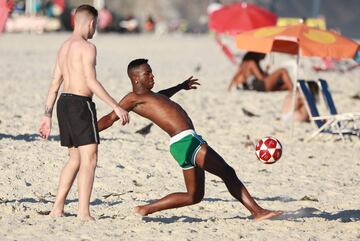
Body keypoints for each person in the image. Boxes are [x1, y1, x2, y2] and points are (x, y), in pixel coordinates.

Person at [97, 59, 282, 221]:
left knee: (194, 196)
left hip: (183, 144)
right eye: (148, 73)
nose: (153, 76)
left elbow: (164, 95)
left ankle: (146, 209)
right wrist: (87, 131)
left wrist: (181, 86)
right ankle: (257, 212)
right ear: (136, 78)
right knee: (227, 172)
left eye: (152, 72)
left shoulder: (152, 96)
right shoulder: (133, 98)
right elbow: (110, 118)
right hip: (186, 142)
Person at [38, 4, 129, 220]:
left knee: (75, 159)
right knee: (90, 159)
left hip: (63, 104)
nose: (94, 29)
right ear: (90, 23)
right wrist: (115, 105)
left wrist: (47, 115)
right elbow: (90, 80)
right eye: (95, 25)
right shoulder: (88, 47)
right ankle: (83, 212)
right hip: (80, 104)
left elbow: (54, 83)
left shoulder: (63, 47)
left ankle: (57, 208)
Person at [228, 52, 293, 92]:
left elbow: (235, 77)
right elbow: (261, 78)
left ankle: (293, 89)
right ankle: (294, 91)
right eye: (264, 54)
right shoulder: (252, 63)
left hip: (256, 86)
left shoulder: (244, 64)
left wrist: (229, 88)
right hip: (259, 86)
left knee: (285, 85)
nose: (265, 55)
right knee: (282, 71)